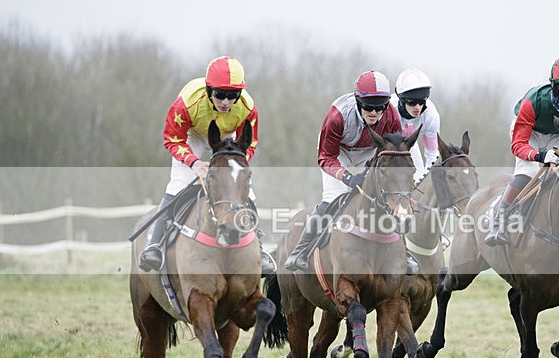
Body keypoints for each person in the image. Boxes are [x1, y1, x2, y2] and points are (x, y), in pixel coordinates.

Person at [139, 56, 276, 274]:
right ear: (208, 90)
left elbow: (249, 146)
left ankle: (260, 247)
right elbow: (172, 138)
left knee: (246, 192)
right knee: (179, 183)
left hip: (227, 139)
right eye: (220, 95)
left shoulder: (248, 109)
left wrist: (232, 169)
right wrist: (194, 163)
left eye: (233, 96)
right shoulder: (186, 103)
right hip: (191, 134)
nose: (226, 102)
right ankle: (154, 245)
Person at [284, 70, 420, 274]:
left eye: (379, 107)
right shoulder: (337, 116)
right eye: (368, 107)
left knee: (386, 198)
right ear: (357, 100)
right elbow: (325, 158)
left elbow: (393, 154)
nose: (373, 113)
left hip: (372, 153)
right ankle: (301, 251)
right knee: (333, 197)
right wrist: (347, 177)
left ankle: (404, 252)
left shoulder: (391, 115)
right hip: (338, 153)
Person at [484, 55, 559, 246]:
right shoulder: (533, 102)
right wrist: (538, 155)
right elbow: (518, 144)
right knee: (529, 171)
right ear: (555, 86)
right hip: (528, 132)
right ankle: (500, 216)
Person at [391, 68, 441, 182]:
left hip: (409, 145)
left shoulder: (431, 114)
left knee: (419, 178)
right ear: (401, 99)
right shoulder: (389, 110)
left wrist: (427, 183)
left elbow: (432, 154)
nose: (418, 107)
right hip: (386, 146)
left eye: (422, 101)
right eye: (412, 102)